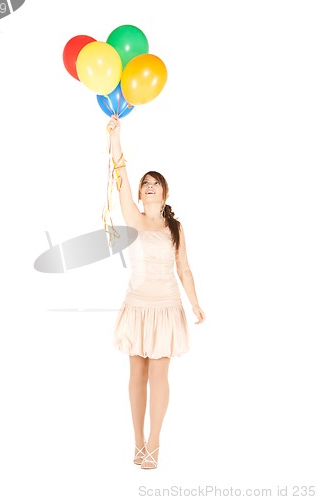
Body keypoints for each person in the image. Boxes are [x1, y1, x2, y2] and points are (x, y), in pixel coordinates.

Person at [107, 114, 205, 469]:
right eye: (145, 183)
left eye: (155, 183)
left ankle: (154, 443)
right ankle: (136, 443)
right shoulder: (133, 217)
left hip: (165, 307)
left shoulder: (175, 226)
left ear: (164, 193)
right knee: (136, 375)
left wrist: (195, 305)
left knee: (159, 376)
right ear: (140, 192)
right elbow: (118, 175)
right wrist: (116, 137)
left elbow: (185, 269)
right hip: (137, 305)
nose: (149, 186)